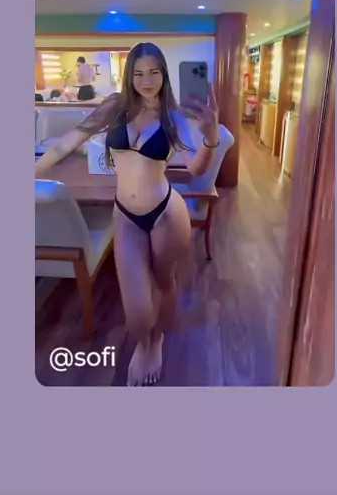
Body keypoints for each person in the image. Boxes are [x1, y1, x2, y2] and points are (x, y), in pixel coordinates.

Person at [35, 42, 219, 386]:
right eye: (138, 73)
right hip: (127, 216)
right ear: (128, 76)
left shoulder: (173, 117)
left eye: (154, 72)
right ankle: (144, 339)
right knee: (137, 313)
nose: (146, 80)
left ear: (164, 75)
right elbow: (64, 144)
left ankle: (155, 342)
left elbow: (195, 168)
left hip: (165, 214)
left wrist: (210, 139)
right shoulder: (114, 107)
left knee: (165, 282)